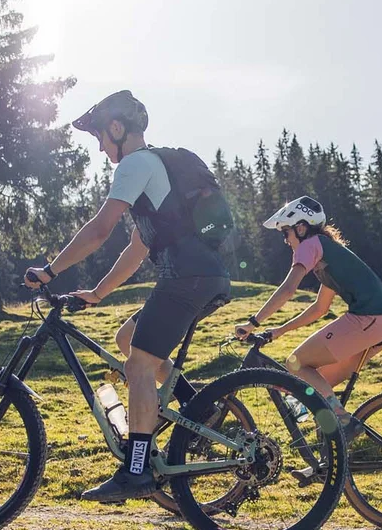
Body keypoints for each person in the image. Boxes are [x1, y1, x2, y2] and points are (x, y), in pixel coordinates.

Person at [23, 90, 231, 503]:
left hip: (186, 277)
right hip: (200, 275)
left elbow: (100, 230)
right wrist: (98, 293)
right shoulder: (155, 172)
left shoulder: (136, 164)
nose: (100, 147)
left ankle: (135, 470)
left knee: (137, 364)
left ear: (117, 128)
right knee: (126, 340)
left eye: (100, 137)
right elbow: (137, 247)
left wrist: (51, 270)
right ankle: (197, 405)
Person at [233, 196, 382, 422]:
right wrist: (279, 330)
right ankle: (337, 444)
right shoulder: (326, 253)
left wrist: (253, 322)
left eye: (286, 233)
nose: (285, 240)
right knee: (315, 386)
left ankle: (341, 420)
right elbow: (320, 308)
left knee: (296, 364)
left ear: (301, 228)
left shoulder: (310, 245)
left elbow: (288, 289)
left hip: (368, 319)